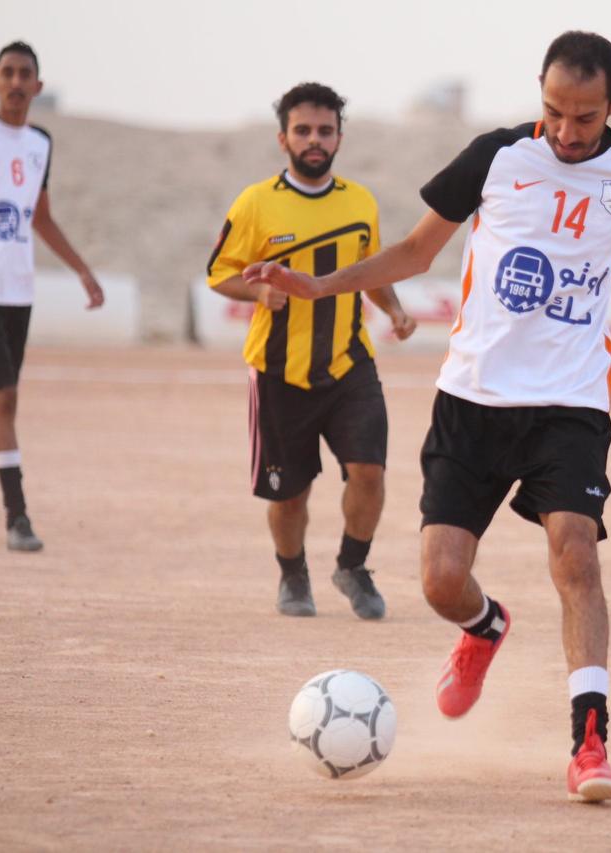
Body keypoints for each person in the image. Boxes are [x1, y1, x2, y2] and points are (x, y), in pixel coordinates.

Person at [246, 31, 611, 802]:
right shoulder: (494, 157)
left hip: (571, 402)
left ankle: (590, 743)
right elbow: (415, 250)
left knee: (576, 556)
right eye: (555, 112)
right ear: (540, 95)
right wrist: (318, 286)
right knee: (439, 581)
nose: (568, 132)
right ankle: (486, 624)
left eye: (586, 118)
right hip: (473, 399)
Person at [207, 82, 416, 620]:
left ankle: (352, 566)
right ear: (283, 138)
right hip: (279, 372)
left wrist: (391, 309)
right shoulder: (255, 204)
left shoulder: (359, 201)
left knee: (369, 471)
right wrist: (257, 291)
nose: (314, 140)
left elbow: (369, 270)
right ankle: (292, 574)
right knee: (289, 494)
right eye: (303, 130)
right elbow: (217, 274)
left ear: (340, 138)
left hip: (349, 363)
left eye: (325, 131)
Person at [0, 41, 105, 552]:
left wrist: (83, 270)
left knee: (5, 404)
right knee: (4, 399)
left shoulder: (40, 143)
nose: (16, 83)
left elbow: (39, 217)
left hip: (18, 289)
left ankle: (16, 514)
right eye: (7, 73)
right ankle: (17, 515)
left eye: (25, 75)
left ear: (38, 87)